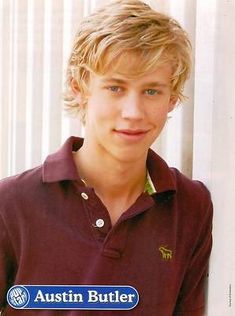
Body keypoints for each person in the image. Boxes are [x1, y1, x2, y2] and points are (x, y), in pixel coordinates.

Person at [0, 0, 213, 315]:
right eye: (115, 88)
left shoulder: (191, 206)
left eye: (152, 91)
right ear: (78, 87)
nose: (133, 113)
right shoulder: (11, 204)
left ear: (172, 99)